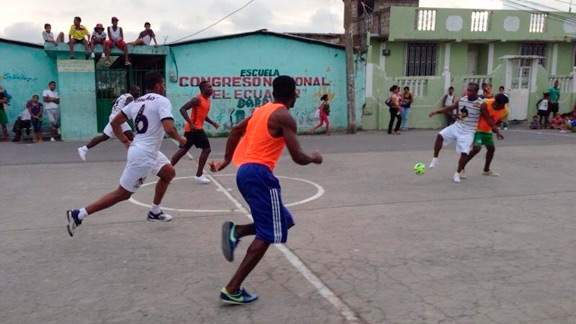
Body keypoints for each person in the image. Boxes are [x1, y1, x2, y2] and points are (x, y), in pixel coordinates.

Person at [209, 75, 322, 305]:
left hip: (245, 173)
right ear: (294, 94)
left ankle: (237, 232)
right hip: (260, 175)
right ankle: (232, 288)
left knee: (284, 221)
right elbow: (299, 157)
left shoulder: (262, 111)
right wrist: (314, 158)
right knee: (268, 233)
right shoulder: (284, 116)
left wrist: (226, 161)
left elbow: (235, 130)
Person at [66, 72, 187, 237]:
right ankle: (78, 214)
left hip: (144, 150)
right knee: (122, 194)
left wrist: (125, 141)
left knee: (168, 173)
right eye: (163, 84)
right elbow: (169, 128)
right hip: (143, 155)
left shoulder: (137, 102)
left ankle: (155, 211)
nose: (164, 87)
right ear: (158, 85)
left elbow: (115, 122)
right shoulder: (162, 101)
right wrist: (180, 138)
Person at [428, 83, 501, 183]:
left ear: (476, 92)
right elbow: (449, 108)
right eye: (468, 90)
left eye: (471, 91)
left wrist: (495, 130)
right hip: (457, 126)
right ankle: (435, 159)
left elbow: (487, 118)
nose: (469, 92)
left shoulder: (481, 103)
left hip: (469, 131)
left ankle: (457, 174)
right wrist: (436, 112)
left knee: (464, 152)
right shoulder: (462, 100)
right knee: (440, 135)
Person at [170, 81, 219, 184]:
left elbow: (203, 115)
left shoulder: (207, 100)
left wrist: (212, 123)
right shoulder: (197, 99)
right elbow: (182, 109)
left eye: (211, 87)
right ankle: (199, 175)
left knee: (183, 150)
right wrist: (191, 123)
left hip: (193, 129)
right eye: (208, 87)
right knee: (207, 149)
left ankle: (166, 171)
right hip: (195, 129)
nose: (211, 89)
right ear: (202, 89)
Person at [77, 86, 140, 160]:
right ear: (131, 91)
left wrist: (115, 110)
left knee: (106, 137)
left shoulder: (124, 95)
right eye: (136, 91)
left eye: (139, 91)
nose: (138, 92)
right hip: (117, 119)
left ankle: (84, 149)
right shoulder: (130, 98)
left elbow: (112, 102)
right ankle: (139, 154)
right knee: (130, 136)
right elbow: (128, 107)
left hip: (115, 116)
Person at [460, 94, 508, 177]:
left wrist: (496, 129)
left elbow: (498, 121)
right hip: (477, 129)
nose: (495, 105)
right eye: (495, 103)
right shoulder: (485, 103)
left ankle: (486, 170)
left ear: (503, 105)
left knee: (491, 149)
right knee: (476, 149)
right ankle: (461, 168)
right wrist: (496, 130)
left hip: (487, 131)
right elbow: (487, 117)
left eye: (497, 105)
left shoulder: (506, 111)